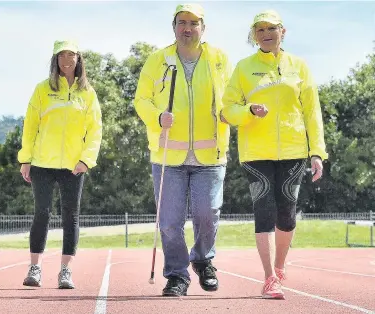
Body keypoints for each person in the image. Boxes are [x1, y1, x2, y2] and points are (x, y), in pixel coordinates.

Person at [220, 10, 328, 299]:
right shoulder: (244, 67)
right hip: (256, 152)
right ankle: (269, 277)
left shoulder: (299, 66)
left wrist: (317, 152)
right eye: (260, 30)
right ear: (254, 35)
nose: (266, 33)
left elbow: (312, 112)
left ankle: (279, 267)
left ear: (283, 32)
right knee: (263, 210)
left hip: (294, 151)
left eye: (272, 28)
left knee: (287, 214)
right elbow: (227, 110)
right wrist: (248, 111)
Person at [134, 3, 232, 297]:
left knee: (207, 213)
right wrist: (157, 117)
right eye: (181, 23)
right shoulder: (157, 60)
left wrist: (237, 112)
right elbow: (141, 100)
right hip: (167, 157)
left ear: (204, 27)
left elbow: (232, 99)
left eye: (193, 23)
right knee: (169, 224)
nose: (187, 28)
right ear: (173, 27)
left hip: (210, 155)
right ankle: (177, 275)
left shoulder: (219, 59)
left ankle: (203, 260)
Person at [18, 40, 102, 289]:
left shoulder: (87, 92)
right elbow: (30, 125)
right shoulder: (42, 89)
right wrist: (25, 158)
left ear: (79, 59)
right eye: (62, 55)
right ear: (55, 60)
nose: (67, 60)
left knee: (71, 217)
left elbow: (95, 130)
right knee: (42, 213)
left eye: (71, 55)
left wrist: (86, 159)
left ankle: (65, 271)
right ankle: (35, 268)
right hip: (42, 163)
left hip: (73, 166)